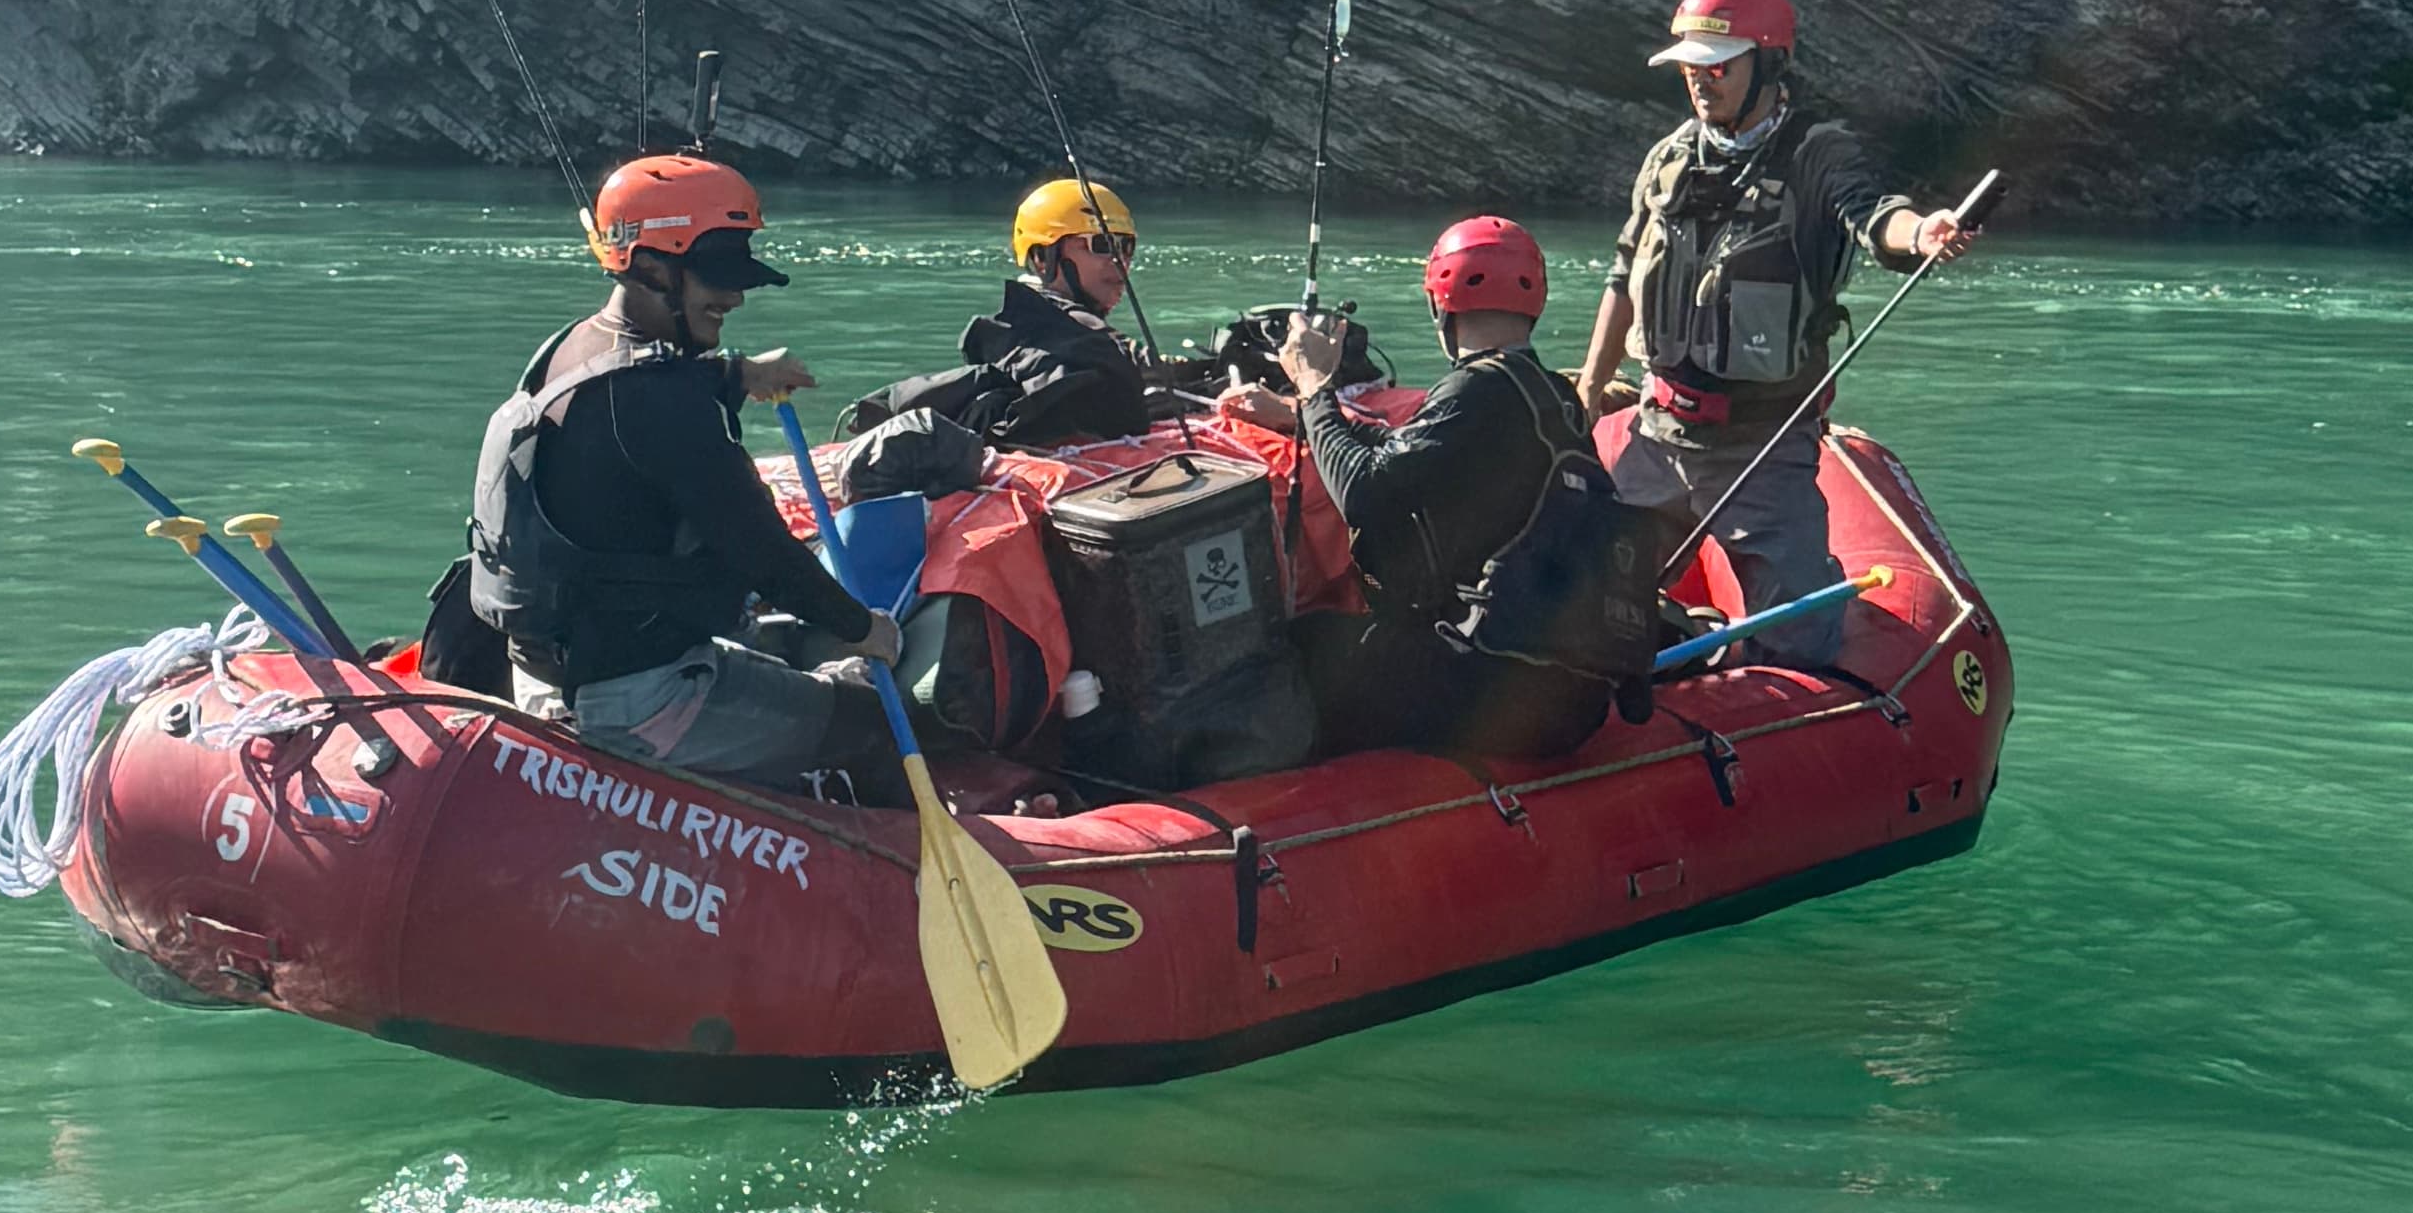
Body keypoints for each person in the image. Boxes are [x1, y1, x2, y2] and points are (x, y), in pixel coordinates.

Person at [466, 151, 908, 802]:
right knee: (872, 721)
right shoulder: (666, 405)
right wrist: (868, 631)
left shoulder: (570, 348)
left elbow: (636, 408)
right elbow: (767, 557)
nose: (733, 295)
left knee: (786, 642)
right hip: (633, 703)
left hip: (547, 673)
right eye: (715, 276)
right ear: (648, 267)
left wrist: (738, 375)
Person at [1575, 0, 1973, 648]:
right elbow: (1621, 277)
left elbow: (1874, 216)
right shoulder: (1667, 158)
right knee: (1577, 604)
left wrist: (1920, 232)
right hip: (1657, 433)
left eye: (1719, 68)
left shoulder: (1820, 155)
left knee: (1801, 645)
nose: (1701, 81)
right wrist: (1589, 388)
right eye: (1690, 69)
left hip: (1762, 447)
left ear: (1768, 64)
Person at [1250, 219, 1645, 774]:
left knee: (1303, 645)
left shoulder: (1475, 389)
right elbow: (1410, 457)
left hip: (1499, 691)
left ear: (1442, 305)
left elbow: (1362, 492)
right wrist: (1306, 416)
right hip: (1571, 698)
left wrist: (1315, 388)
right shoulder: (1548, 392)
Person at [845, 175, 1233, 460]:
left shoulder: (1039, 329)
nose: (1120, 261)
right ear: (1041, 258)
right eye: (1102, 245)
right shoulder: (1059, 341)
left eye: (1127, 247)